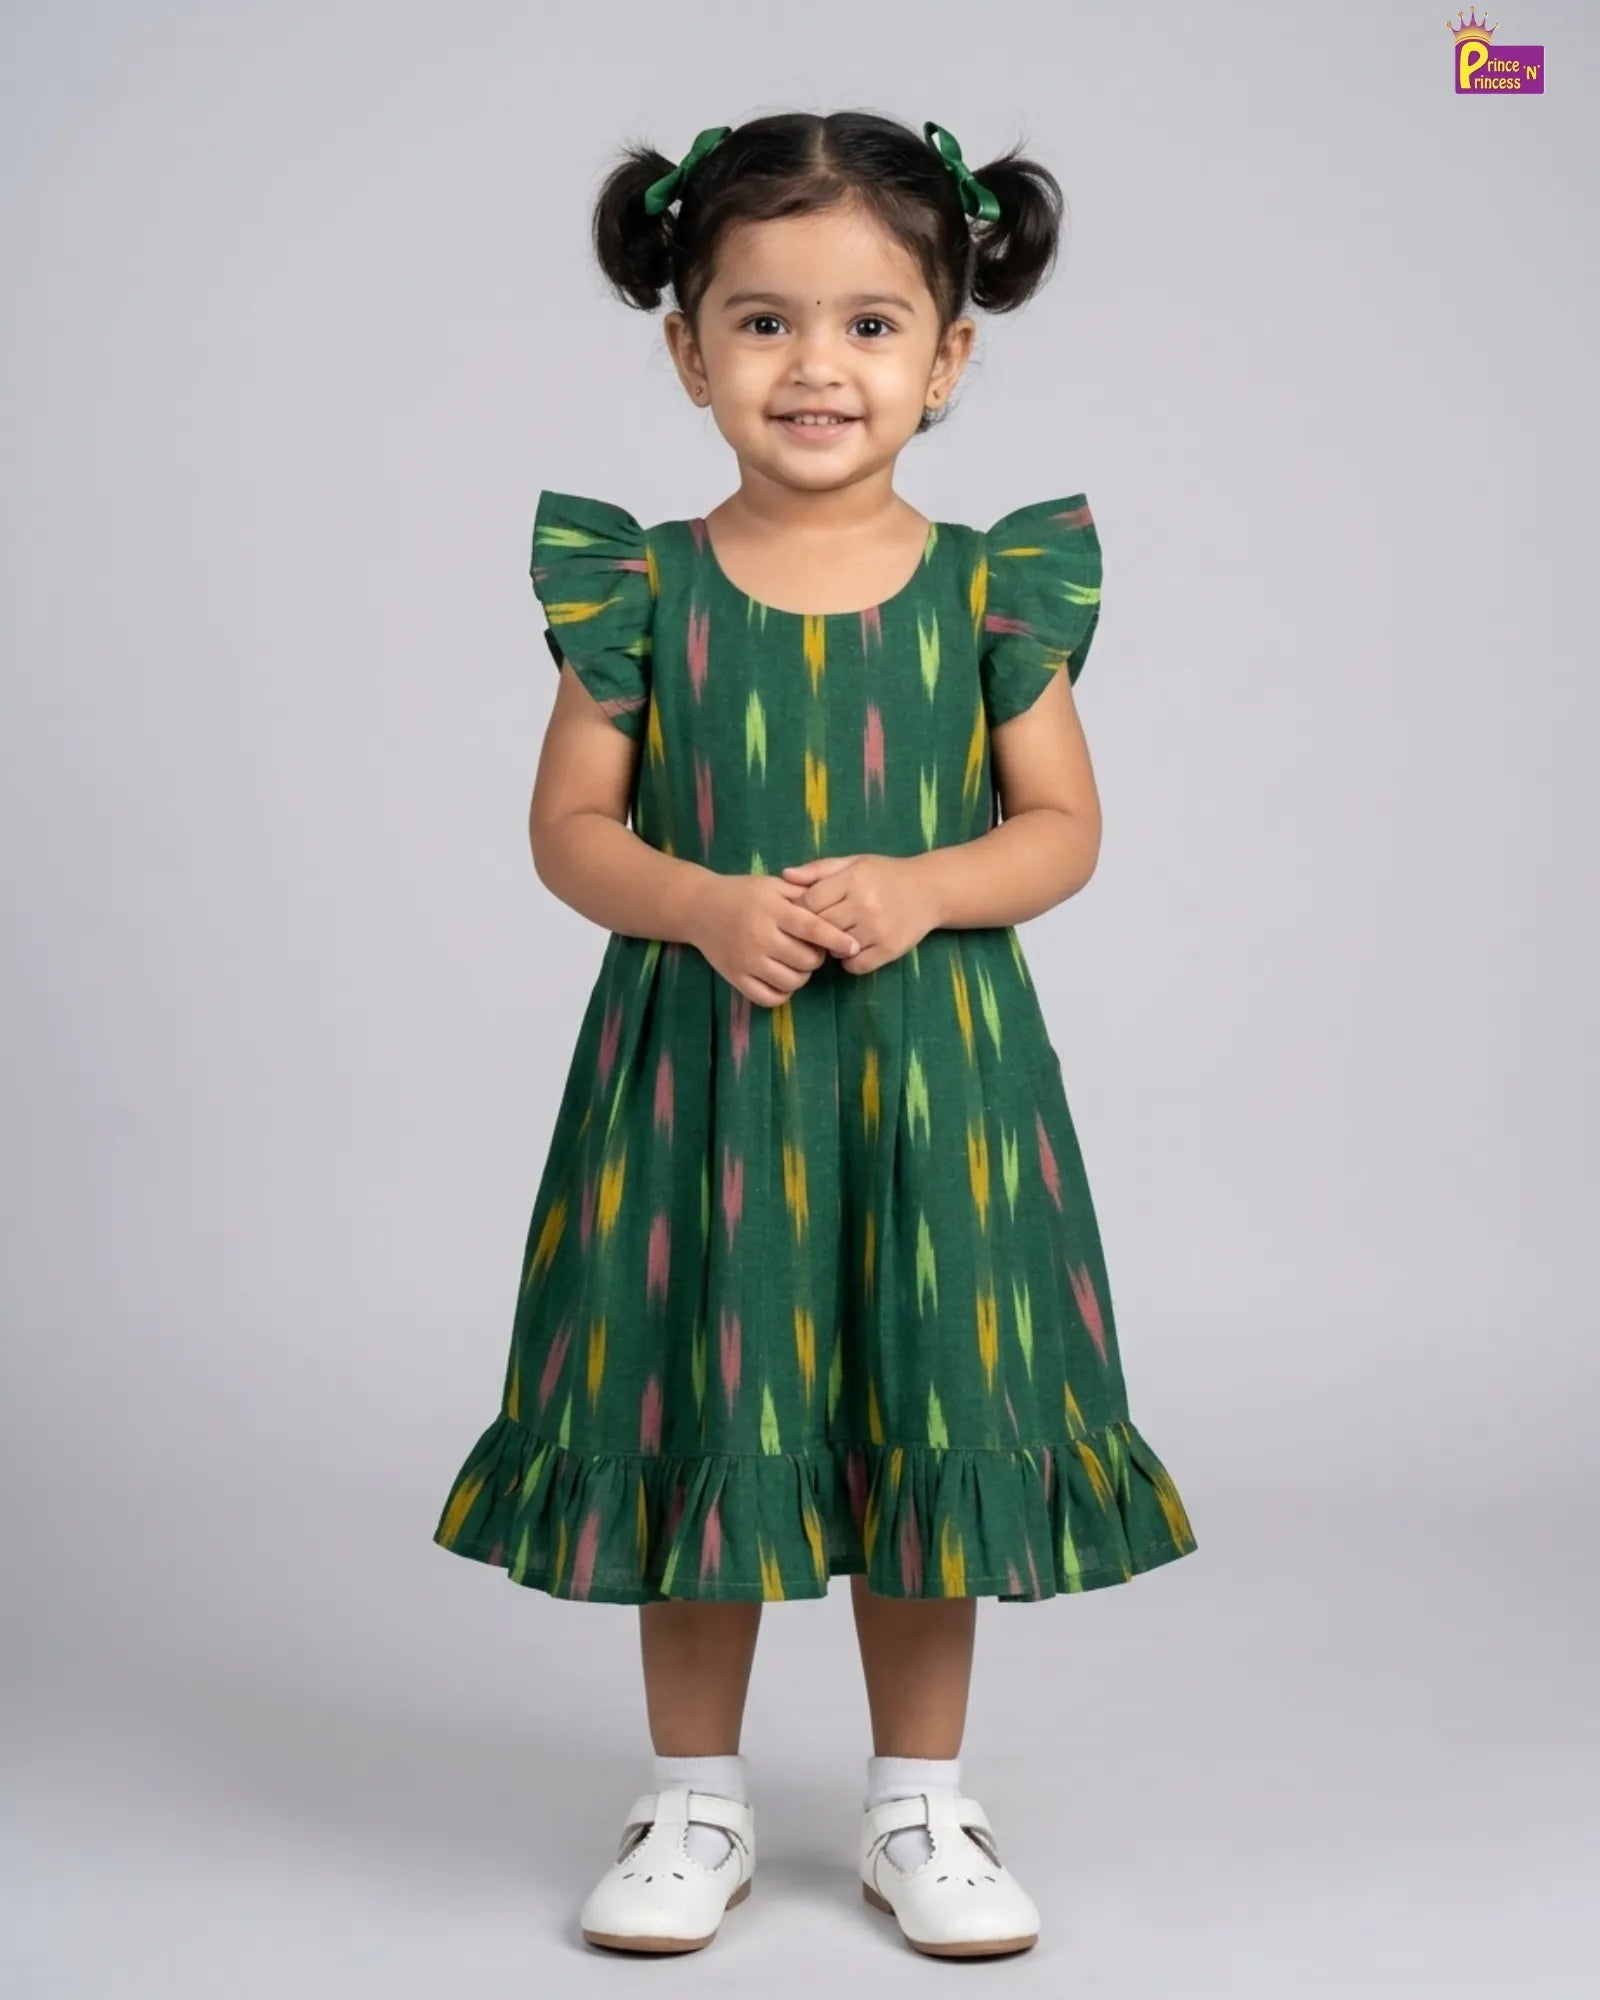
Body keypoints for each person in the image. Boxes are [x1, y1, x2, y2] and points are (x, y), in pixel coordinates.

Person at [431, 109, 1198, 1960]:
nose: (815, 365)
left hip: (931, 1087)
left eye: (869, 324)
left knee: (928, 1397)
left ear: (948, 356)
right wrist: (699, 902)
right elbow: (571, 834)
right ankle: (690, 1791)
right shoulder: (640, 592)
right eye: (762, 321)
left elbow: (1063, 833)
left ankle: (917, 1802)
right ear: (687, 348)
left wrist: (930, 886)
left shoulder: (995, 592)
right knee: (714, 1405)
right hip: (700, 1088)